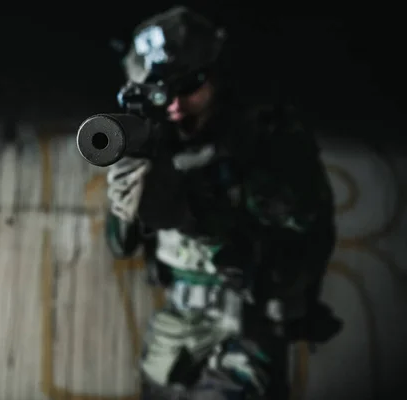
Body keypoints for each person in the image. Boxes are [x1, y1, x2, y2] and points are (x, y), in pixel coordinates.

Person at [104, 6, 340, 400]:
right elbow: (121, 243)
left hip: (246, 327)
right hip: (174, 337)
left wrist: (208, 218)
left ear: (216, 74)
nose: (175, 104)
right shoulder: (157, 143)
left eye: (190, 84)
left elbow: (305, 241)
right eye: (161, 91)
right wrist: (135, 190)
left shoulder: (266, 139)